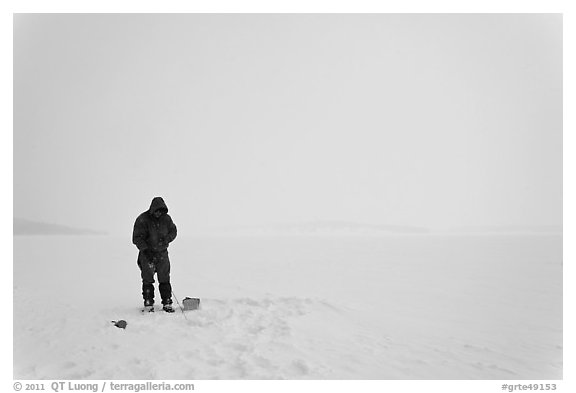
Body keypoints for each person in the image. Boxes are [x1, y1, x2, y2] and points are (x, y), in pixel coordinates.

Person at [132, 197, 178, 312]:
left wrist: (167, 239)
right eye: (157, 211)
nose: (158, 213)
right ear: (152, 209)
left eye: (161, 211)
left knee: (164, 278)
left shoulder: (166, 219)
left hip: (162, 254)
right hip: (147, 255)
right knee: (147, 279)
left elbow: (173, 231)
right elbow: (136, 238)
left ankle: (167, 302)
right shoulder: (142, 219)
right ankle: (148, 303)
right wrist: (145, 250)